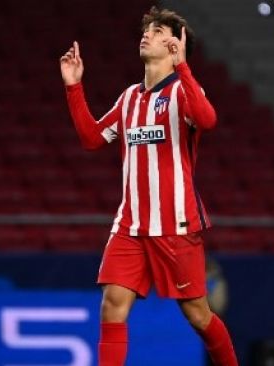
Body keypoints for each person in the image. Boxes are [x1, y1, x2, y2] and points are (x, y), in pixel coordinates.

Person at [59, 7, 238, 366]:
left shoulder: (184, 91)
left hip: (175, 224)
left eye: (158, 31)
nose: (147, 34)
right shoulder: (129, 98)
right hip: (131, 224)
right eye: (147, 29)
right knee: (112, 306)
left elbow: (208, 119)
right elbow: (92, 138)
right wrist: (74, 86)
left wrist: (184, 67)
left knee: (198, 316)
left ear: (174, 44)